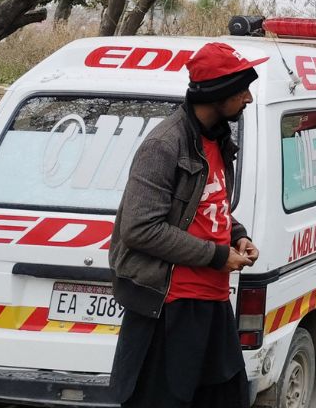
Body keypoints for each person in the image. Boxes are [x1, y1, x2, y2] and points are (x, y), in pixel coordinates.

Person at [109, 42, 264, 408]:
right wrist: (217, 255)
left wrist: (237, 236)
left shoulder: (217, 140)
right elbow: (140, 228)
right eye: (242, 90)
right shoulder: (164, 144)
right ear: (218, 92)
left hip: (212, 302)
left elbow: (207, 204)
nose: (248, 98)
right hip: (171, 307)